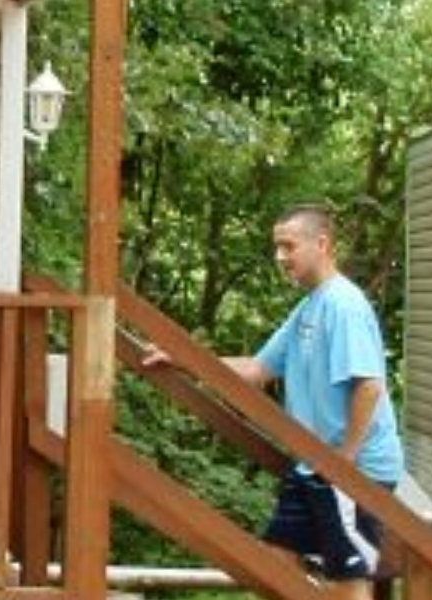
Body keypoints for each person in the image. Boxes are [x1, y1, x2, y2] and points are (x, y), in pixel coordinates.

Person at [143, 205, 404, 600]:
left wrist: (346, 459)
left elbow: (369, 385)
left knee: (347, 582)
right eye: (277, 247)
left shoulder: (344, 305)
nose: (280, 257)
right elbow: (255, 369)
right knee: (277, 560)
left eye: (288, 246)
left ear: (322, 244)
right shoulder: (308, 308)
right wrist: (181, 358)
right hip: (316, 463)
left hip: (356, 469)